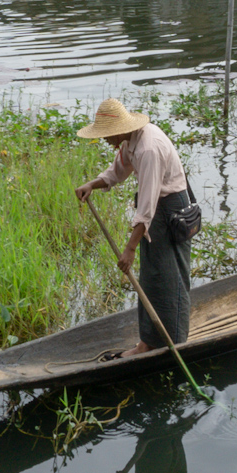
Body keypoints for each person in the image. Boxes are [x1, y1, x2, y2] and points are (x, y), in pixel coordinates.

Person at [74, 98, 194, 358]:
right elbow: (118, 170)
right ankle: (147, 344)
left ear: (119, 129)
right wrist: (91, 185)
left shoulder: (148, 149)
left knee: (169, 278)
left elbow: (147, 207)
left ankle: (174, 343)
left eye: (107, 135)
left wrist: (129, 249)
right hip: (156, 210)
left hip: (169, 209)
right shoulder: (130, 141)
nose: (106, 140)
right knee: (152, 278)